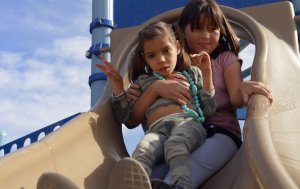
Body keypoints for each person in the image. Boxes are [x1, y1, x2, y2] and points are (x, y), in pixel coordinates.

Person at [116, 0, 273, 188]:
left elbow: (235, 98)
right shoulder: (175, 67)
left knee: (186, 169)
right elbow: (133, 116)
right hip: (179, 133)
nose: (206, 35)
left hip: (219, 134)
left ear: (221, 31)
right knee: (150, 173)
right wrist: (138, 92)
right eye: (198, 28)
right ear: (182, 32)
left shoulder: (225, 59)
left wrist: (243, 88)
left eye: (213, 29)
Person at [97, 21, 216, 189]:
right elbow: (126, 117)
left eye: (166, 51)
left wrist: (207, 73)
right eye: (151, 55)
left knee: (175, 145)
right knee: (142, 150)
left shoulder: (191, 74)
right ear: (145, 58)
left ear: (178, 47)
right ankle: (136, 186)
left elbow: (209, 108)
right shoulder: (144, 82)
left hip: (188, 123)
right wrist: (118, 85)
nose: (161, 60)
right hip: (157, 130)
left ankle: (181, 186)